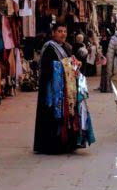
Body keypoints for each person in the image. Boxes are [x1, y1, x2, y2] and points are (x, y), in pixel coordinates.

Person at [34, 22, 94, 154]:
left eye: (65, 32)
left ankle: (67, 144)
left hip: (66, 88)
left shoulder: (67, 47)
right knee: (53, 115)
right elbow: (47, 68)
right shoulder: (49, 48)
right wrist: (66, 64)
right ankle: (52, 146)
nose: (63, 34)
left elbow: (70, 63)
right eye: (60, 31)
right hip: (52, 89)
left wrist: (75, 63)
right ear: (53, 33)